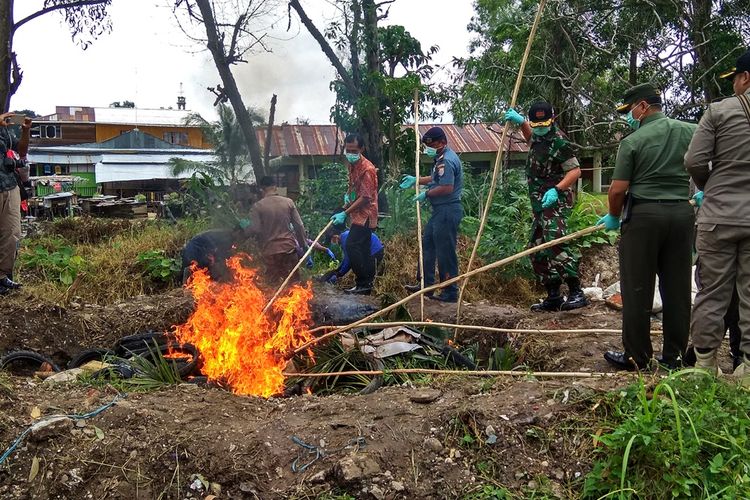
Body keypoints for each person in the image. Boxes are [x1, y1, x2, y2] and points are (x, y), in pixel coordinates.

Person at [597, 83, 696, 371]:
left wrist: (614, 216)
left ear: (642, 106)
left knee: (637, 287)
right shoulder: (689, 131)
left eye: (630, 110)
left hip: (643, 217)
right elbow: (705, 164)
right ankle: (673, 358)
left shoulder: (633, 141)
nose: (629, 116)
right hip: (681, 214)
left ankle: (637, 357)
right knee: (677, 290)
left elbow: (617, 190)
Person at [684, 48, 750, 382]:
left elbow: (694, 160)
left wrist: (713, 186)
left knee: (711, 290)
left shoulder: (719, 111)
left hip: (719, 216)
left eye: (736, 78)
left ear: (745, 77)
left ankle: (706, 365)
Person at [503, 102, 587, 312]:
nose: (539, 127)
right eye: (535, 124)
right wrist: (522, 122)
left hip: (555, 202)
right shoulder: (538, 138)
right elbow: (530, 137)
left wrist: (557, 189)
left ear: (553, 120)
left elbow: (575, 171)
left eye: (544, 123)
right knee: (537, 247)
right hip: (539, 205)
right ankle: (553, 295)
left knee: (555, 242)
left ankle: (577, 291)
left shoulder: (559, 143)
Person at [400, 126, 464, 303]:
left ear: (442, 142)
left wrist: (426, 194)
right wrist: (417, 180)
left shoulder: (446, 160)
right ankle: (425, 285)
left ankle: (450, 291)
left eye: (432, 144)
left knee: (445, 251)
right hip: (440, 211)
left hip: (448, 210)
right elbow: (437, 179)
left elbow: (447, 187)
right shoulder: (440, 159)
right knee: (427, 244)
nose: (429, 148)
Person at [330, 133, 379, 295]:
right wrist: (346, 201)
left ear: (362, 149)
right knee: (363, 248)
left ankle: (363, 282)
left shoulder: (368, 169)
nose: (350, 153)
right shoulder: (353, 165)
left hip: (366, 214)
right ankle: (366, 284)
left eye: (353, 150)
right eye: (348, 149)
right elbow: (353, 188)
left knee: (352, 245)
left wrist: (345, 212)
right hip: (356, 213)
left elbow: (365, 198)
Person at [249, 176, 308, 286]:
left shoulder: (257, 207)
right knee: (294, 285)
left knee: (272, 286)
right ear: (275, 187)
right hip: (288, 250)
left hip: (270, 253)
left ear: (262, 189)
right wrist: (303, 244)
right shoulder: (288, 202)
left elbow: (255, 229)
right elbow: (299, 225)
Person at [0, 113, 31, 296]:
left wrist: (25, 131)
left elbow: (21, 151)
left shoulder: (4, 129)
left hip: (9, 183)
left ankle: (2, 277)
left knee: (12, 232)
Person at [181, 224, 249, 283]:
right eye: (241, 236)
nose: (241, 239)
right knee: (197, 267)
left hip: (200, 249)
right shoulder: (227, 237)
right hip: (196, 248)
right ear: (238, 232)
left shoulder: (228, 236)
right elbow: (220, 255)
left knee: (208, 267)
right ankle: (185, 287)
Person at [320, 229, 385, 284]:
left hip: (375, 251)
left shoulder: (346, 239)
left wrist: (338, 274)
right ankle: (363, 286)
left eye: (331, 240)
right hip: (372, 251)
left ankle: (364, 288)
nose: (332, 243)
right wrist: (338, 270)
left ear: (335, 237)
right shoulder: (344, 236)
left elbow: (349, 260)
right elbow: (346, 258)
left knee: (365, 272)